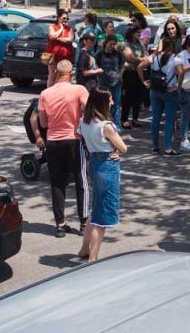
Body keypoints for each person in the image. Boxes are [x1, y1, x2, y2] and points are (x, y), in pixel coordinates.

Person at [36, 61, 90, 237]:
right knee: (81, 181)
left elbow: (43, 122)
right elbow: (88, 108)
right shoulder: (79, 89)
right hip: (73, 139)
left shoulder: (45, 93)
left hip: (53, 141)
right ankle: (84, 223)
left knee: (57, 183)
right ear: (71, 73)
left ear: (56, 73)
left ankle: (60, 224)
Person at [76, 89, 128, 262]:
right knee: (102, 216)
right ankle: (93, 257)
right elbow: (124, 148)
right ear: (102, 103)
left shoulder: (84, 121)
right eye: (110, 100)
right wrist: (115, 150)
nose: (112, 103)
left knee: (96, 207)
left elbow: (83, 139)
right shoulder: (106, 126)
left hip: (94, 163)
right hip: (107, 165)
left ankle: (84, 249)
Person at [149, 37, 181, 155]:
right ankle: (167, 147)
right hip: (169, 90)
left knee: (155, 118)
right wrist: (178, 86)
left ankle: (155, 146)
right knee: (169, 120)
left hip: (155, 89)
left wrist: (144, 81)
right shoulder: (175, 59)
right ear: (172, 46)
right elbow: (181, 72)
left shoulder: (155, 57)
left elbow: (142, 67)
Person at [97, 35, 124, 125]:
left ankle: (116, 125)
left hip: (115, 82)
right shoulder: (100, 53)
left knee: (116, 104)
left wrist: (120, 74)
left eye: (114, 44)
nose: (112, 46)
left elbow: (122, 65)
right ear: (106, 43)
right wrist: (98, 71)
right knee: (103, 104)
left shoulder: (118, 54)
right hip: (103, 82)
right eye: (110, 44)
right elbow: (94, 62)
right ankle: (104, 123)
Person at [45, 8, 75, 83]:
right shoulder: (52, 27)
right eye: (64, 18)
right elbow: (52, 36)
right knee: (52, 75)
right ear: (58, 18)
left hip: (65, 56)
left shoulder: (69, 28)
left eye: (67, 19)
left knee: (63, 75)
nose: (66, 20)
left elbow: (70, 39)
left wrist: (58, 39)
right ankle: (50, 89)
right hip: (51, 56)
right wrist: (61, 29)